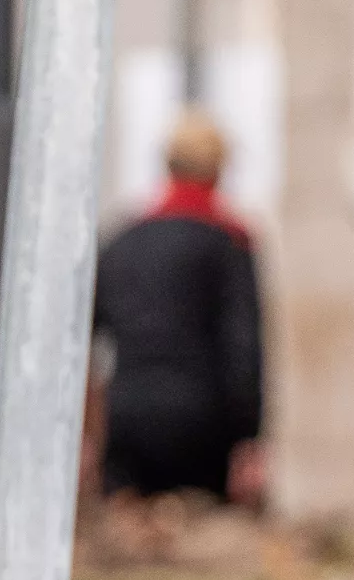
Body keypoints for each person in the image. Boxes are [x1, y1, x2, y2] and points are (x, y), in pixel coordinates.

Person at [93, 109, 266, 503]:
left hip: (127, 416)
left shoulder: (124, 240)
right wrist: (249, 437)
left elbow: (89, 334)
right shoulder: (230, 242)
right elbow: (243, 347)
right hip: (203, 424)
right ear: (219, 171)